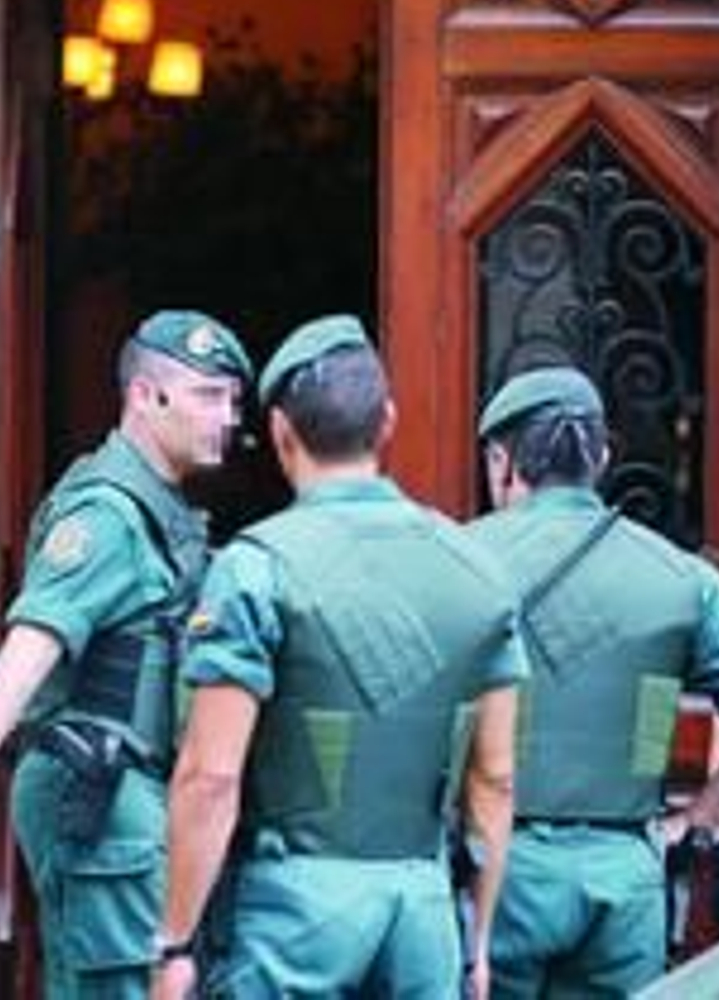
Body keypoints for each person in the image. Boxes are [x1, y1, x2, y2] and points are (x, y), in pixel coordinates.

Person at [154, 315, 526, 1000]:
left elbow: (209, 776)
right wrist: (475, 945)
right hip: (421, 908)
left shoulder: (255, 568)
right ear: (387, 423)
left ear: (280, 433)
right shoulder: (478, 568)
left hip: (293, 910)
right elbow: (495, 779)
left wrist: (175, 941)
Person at [0, 309, 252, 998]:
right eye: (208, 396)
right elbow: (22, 660)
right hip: (103, 796)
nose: (228, 418)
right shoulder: (106, 517)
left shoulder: (161, 513)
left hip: (134, 795)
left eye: (234, 400)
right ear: (146, 397)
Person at [465, 366, 719, 997]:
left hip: (494, 866)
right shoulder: (678, 575)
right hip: (625, 873)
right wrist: (702, 820)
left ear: (501, 460)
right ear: (599, 458)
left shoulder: (455, 560)